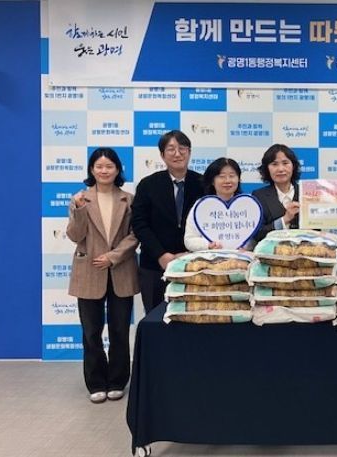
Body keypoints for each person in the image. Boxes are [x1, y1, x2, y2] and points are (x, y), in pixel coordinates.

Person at [66, 147, 139, 404]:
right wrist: (78, 210)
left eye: (109, 166)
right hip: (89, 271)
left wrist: (113, 256)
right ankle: (96, 382)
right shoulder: (80, 199)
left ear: (118, 170)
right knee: (91, 331)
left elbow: (135, 235)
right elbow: (75, 235)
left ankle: (117, 380)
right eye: (99, 166)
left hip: (121, 270)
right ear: (91, 170)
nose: (104, 171)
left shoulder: (128, 199)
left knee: (119, 330)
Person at [131, 130, 204, 313]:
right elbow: (139, 224)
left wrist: (189, 253)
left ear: (189, 152)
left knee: (193, 319)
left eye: (182, 148)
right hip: (155, 266)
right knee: (155, 319)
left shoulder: (203, 184)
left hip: (194, 264)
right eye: (171, 149)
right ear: (162, 155)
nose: (177, 154)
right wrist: (161, 255)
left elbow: (208, 224)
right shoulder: (148, 185)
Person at [184, 157, 248, 251]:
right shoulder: (201, 205)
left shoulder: (247, 204)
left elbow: (254, 238)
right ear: (212, 181)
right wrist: (208, 245)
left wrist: (246, 246)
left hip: (239, 257)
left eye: (232, 176)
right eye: (222, 176)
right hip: (208, 257)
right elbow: (189, 240)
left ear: (238, 179)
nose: (227, 181)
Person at [252, 144, 301, 242]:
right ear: (267, 169)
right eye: (274, 164)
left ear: (293, 166)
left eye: (285, 163)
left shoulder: (306, 194)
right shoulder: (259, 196)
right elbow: (257, 234)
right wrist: (285, 219)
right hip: (271, 250)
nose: (281, 169)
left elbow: (316, 230)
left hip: (305, 250)